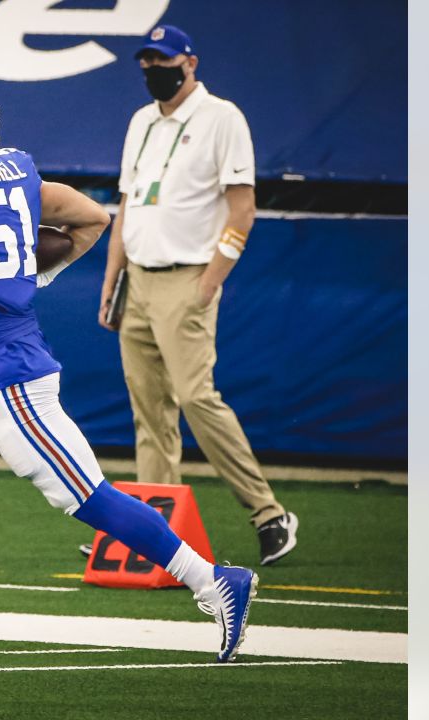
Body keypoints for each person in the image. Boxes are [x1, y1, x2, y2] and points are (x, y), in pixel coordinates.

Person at [0, 76, 258, 662]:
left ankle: (214, 580)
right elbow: (93, 219)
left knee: (84, 497)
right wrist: (32, 273)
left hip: (9, 373)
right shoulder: (16, 168)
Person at [97, 25, 298, 566]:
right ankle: (153, 532)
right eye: (145, 62)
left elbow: (242, 208)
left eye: (162, 60)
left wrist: (212, 279)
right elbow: (127, 209)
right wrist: (112, 280)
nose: (152, 70)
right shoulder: (142, 121)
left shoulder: (221, 118)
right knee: (149, 410)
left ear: (190, 62)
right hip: (137, 279)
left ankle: (268, 513)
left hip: (188, 277)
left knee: (195, 397)